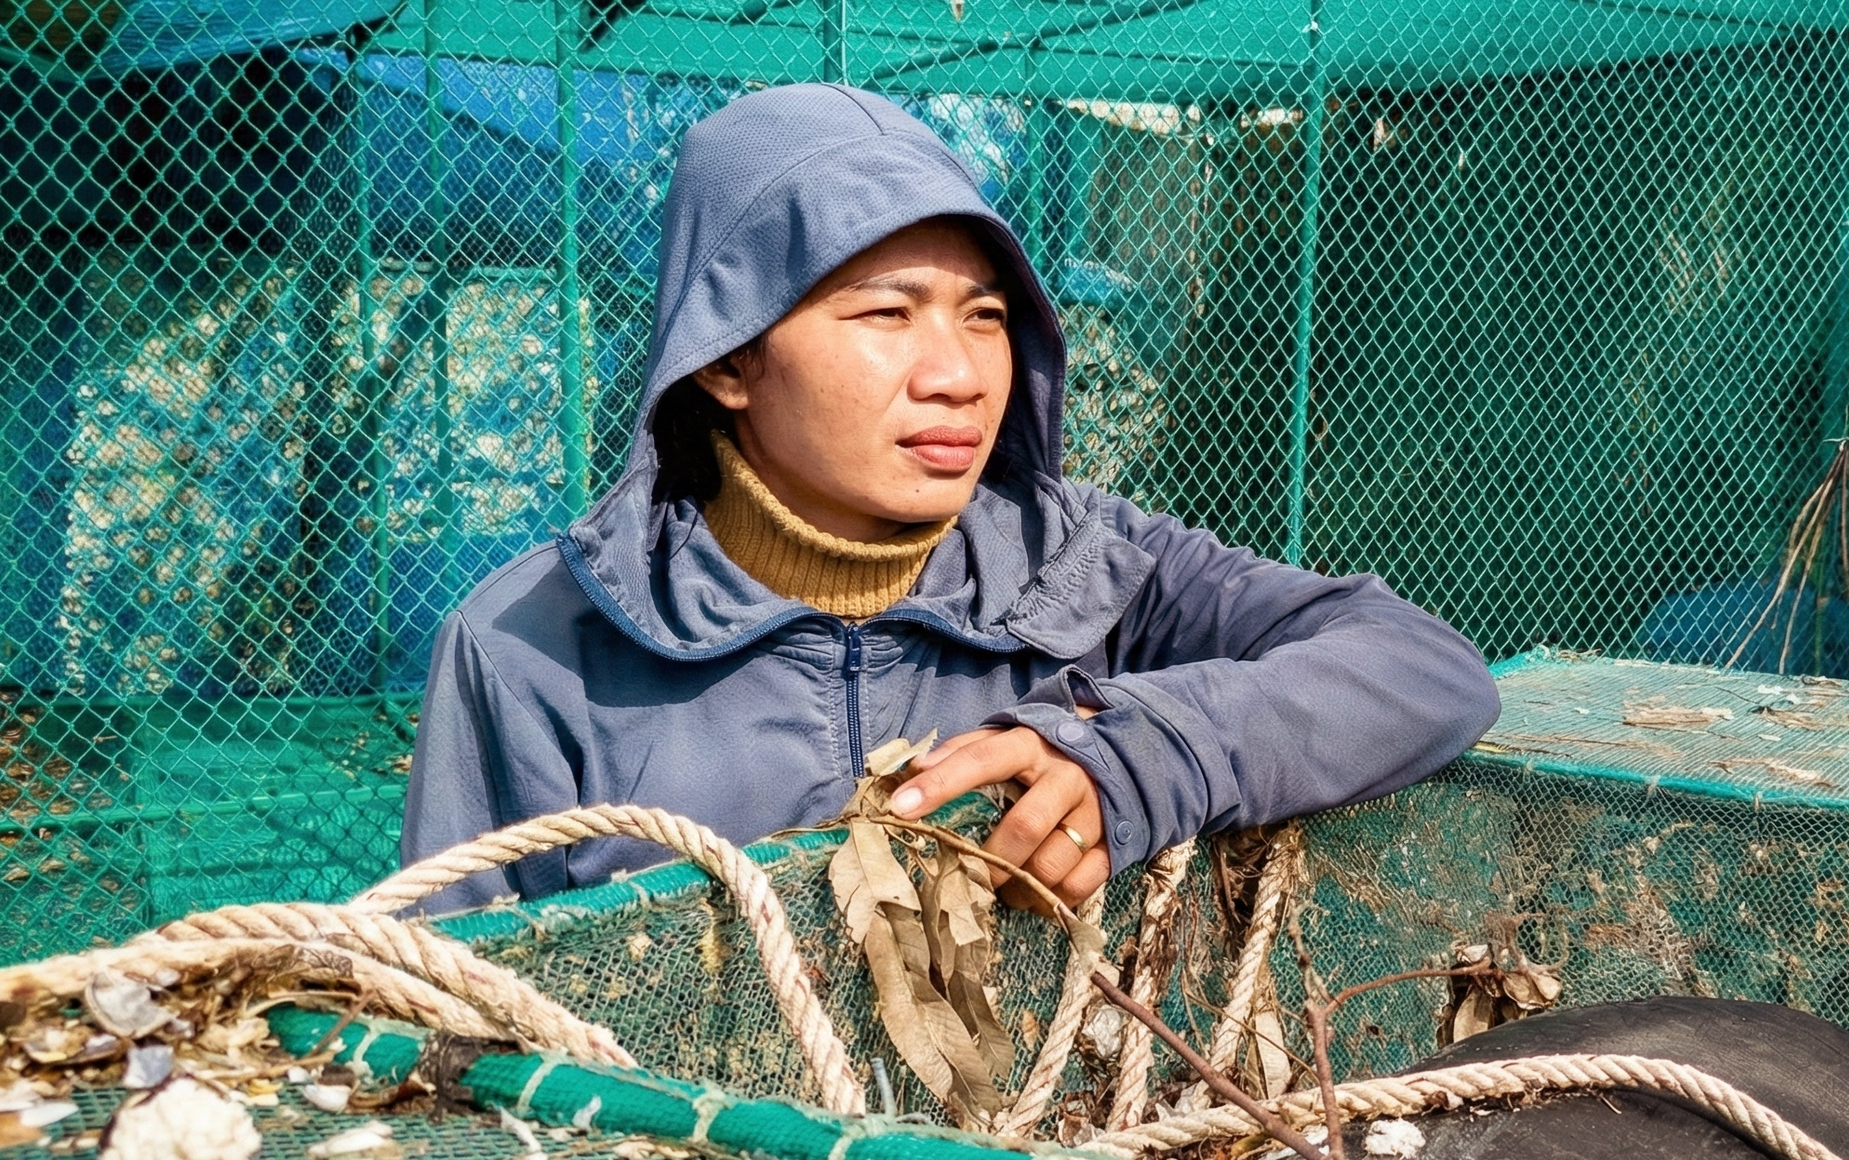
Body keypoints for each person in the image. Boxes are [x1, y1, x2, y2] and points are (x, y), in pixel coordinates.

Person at [401, 84, 1500, 913]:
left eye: (983, 316)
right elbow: (461, 1015)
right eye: (886, 314)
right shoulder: (530, 647)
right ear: (727, 361)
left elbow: (1423, 669)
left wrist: (1130, 754)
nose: (960, 374)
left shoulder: (1087, 564)